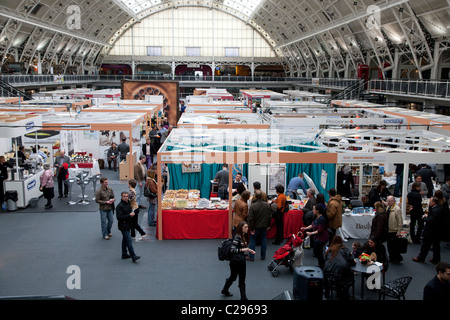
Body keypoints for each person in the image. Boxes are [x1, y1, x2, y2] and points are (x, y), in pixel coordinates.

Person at [221, 221, 255, 300]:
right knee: (238, 278)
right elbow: (232, 250)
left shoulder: (244, 236)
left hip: (239, 260)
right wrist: (245, 249)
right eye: (245, 227)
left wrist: (248, 250)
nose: (247, 229)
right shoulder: (238, 237)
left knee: (236, 277)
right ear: (241, 228)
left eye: (247, 227)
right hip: (237, 261)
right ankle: (242, 296)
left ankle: (226, 290)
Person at [413, 197, 445, 264]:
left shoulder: (436, 210)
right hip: (437, 231)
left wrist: (425, 218)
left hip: (431, 231)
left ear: (434, 202)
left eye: (430, 201)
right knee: (436, 246)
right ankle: (436, 259)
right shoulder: (439, 208)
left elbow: (431, 221)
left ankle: (421, 258)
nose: (429, 203)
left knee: (425, 245)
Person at [323, 235, 356, 300]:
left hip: (329, 276)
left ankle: (326, 293)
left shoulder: (328, 251)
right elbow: (352, 262)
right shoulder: (345, 250)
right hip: (341, 276)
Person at [116, 191, 140, 263]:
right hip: (123, 225)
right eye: (124, 196)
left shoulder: (128, 203)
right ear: (121, 197)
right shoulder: (119, 206)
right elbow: (119, 217)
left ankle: (124, 254)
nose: (126, 198)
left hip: (128, 224)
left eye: (127, 196)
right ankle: (133, 255)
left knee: (125, 240)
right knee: (128, 240)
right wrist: (129, 215)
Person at [302, 205, 329, 269]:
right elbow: (312, 225)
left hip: (322, 238)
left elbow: (320, 230)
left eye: (314, 209)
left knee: (318, 252)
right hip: (318, 237)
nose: (313, 210)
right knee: (318, 252)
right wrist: (305, 228)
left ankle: (322, 265)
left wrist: (311, 233)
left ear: (318, 211)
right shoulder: (316, 217)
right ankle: (321, 265)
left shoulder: (321, 219)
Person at [248, 190, 272, 261]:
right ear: (262, 196)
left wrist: (251, 228)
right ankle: (263, 256)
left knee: (252, 240)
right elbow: (269, 216)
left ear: (255, 196)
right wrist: (268, 225)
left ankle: (251, 256)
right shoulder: (267, 205)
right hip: (264, 226)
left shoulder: (253, 206)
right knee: (263, 240)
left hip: (255, 226)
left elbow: (251, 218)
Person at [386, 196, 404, 263]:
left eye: (389, 201)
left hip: (394, 230)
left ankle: (396, 258)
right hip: (388, 229)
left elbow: (400, 221)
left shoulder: (397, 209)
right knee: (389, 245)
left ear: (393, 201)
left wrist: (399, 230)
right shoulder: (388, 207)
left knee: (395, 246)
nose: (388, 202)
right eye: (388, 201)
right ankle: (391, 257)